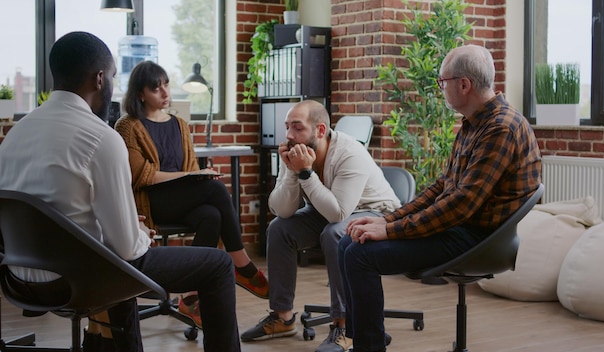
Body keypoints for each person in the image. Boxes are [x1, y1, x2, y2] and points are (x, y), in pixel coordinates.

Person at [0, 31, 240, 352]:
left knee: (109, 255)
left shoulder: (16, 134)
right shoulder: (101, 137)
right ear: (100, 78)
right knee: (218, 265)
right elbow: (128, 249)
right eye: (113, 76)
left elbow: (56, 212)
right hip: (78, 281)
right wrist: (140, 231)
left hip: (18, 279)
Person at [338, 44, 542, 352]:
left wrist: (390, 230)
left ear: (463, 84)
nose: (440, 87)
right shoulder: (474, 122)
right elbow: (443, 187)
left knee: (359, 254)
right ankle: (366, 341)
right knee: (348, 243)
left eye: (442, 81)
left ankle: (369, 347)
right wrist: (388, 219)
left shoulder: (500, 129)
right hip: (462, 227)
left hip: (479, 238)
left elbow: (461, 205)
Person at [114, 61, 268, 325]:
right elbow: (141, 176)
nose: (164, 93)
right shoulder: (127, 126)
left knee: (211, 215)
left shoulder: (180, 125)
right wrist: (189, 177)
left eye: (166, 85)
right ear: (140, 94)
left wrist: (195, 176)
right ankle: (241, 263)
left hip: (181, 198)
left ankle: (190, 296)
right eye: (155, 88)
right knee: (217, 189)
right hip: (151, 202)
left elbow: (191, 168)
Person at [240, 100, 401, 352]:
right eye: (287, 128)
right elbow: (281, 209)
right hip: (328, 210)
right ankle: (282, 317)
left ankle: (346, 326)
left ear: (321, 130)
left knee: (335, 233)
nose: (289, 136)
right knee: (279, 229)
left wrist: (305, 173)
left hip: (374, 212)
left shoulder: (349, 153)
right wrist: (294, 172)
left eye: (298, 128)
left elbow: (338, 214)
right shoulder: (296, 152)